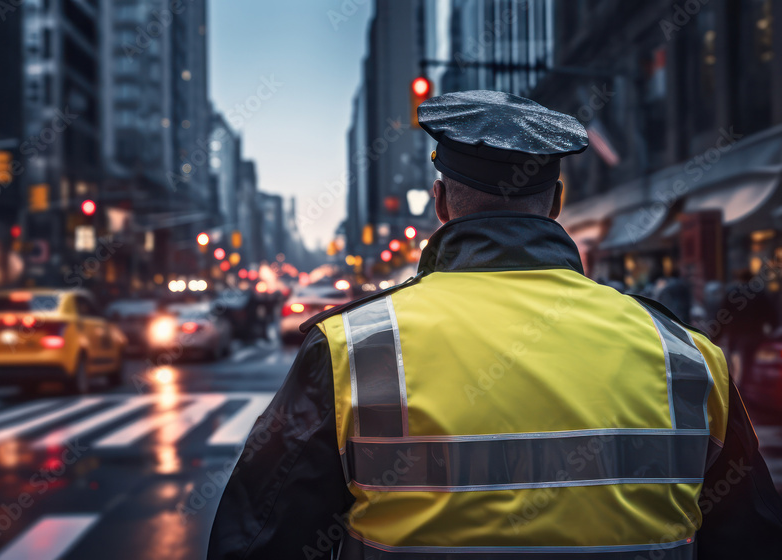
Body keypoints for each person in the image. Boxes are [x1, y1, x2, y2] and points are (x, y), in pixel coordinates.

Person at [207, 90, 782, 559]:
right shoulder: (683, 354)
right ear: (556, 202)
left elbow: (258, 540)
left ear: (440, 203)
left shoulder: (351, 349)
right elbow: (751, 539)